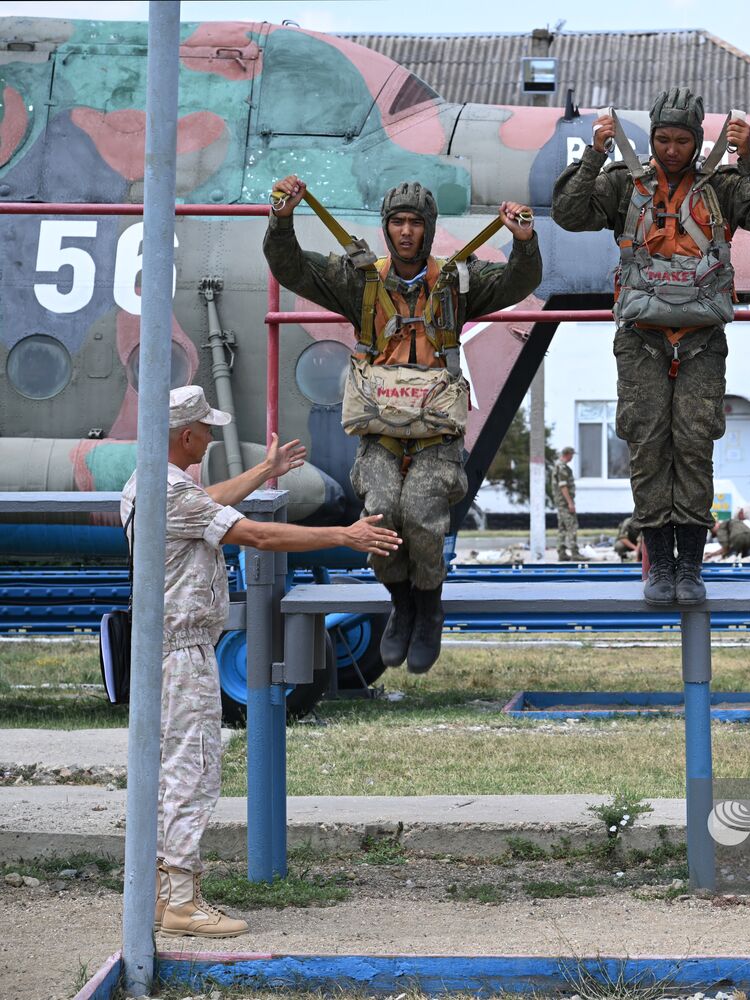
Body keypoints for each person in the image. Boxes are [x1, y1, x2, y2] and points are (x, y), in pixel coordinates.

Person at [126, 387, 400, 939]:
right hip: (182, 654)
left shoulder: (152, 482)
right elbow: (257, 533)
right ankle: (182, 900)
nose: (210, 435)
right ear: (186, 436)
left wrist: (264, 471)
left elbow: (212, 502)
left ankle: (162, 895)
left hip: (166, 649)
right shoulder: (175, 494)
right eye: (206, 428)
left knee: (172, 770)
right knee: (192, 770)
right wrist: (343, 535)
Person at [264, 176, 540, 672]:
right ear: (386, 228)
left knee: (420, 511)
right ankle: (401, 601)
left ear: (429, 229)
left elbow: (518, 283)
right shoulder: (361, 280)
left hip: (436, 432)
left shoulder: (457, 280)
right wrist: (282, 219)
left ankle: (428, 605)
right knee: (382, 511)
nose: (406, 231)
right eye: (398, 222)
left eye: (415, 223)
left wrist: (524, 243)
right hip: (380, 430)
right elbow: (292, 269)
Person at [553, 89, 750, 606]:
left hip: (701, 339)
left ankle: (690, 567)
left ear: (697, 139)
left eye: (681, 140)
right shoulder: (625, 185)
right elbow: (570, 213)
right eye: (662, 139)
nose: (670, 149)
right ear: (651, 137)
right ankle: (658, 566)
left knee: (693, 445)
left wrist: (749, 156)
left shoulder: (722, 188)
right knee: (647, 447)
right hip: (641, 339)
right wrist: (595, 153)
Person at [550, 447, 578, 561]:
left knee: (562, 528)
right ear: (567, 454)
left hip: (561, 503)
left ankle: (561, 553)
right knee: (572, 526)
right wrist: (570, 503)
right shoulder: (561, 467)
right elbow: (563, 487)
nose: (572, 457)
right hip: (565, 503)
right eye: (572, 454)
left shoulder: (560, 466)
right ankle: (575, 553)